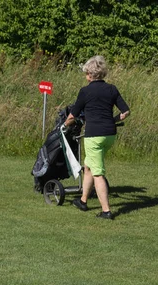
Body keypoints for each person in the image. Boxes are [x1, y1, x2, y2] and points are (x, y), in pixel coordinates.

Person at [63, 55, 130, 220]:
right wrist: (112, 120)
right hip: (110, 135)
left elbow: (73, 115)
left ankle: (106, 211)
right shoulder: (112, 89)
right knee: (89, 167)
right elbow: (126, 112)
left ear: (89, 75)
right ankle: (83, 201)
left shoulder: (85, 91)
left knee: (98, 173)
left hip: (94, 136)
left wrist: (65, 124)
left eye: (86, 73)